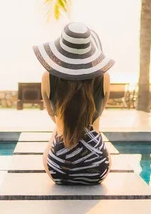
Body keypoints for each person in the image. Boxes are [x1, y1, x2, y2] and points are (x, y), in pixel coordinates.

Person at [32, 22, 114, 185]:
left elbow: (54, 116)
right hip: (96, 168)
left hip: (58, 168)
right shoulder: (104, 78)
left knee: (55, 137)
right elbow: (96, 125)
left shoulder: (47, 77)